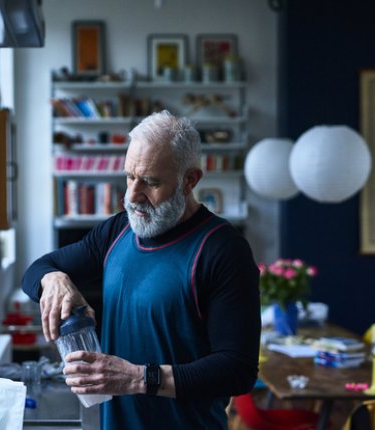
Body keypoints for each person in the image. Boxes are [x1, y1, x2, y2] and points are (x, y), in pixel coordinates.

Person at [21, 110, 260, 429]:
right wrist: (56, 279)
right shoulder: (117, 231)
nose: (132, 196)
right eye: (130, 177)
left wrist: (137, 378)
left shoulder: (223, 249)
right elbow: (35, 271)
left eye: (150, 182)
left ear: (190, 180)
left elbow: (237, 370)